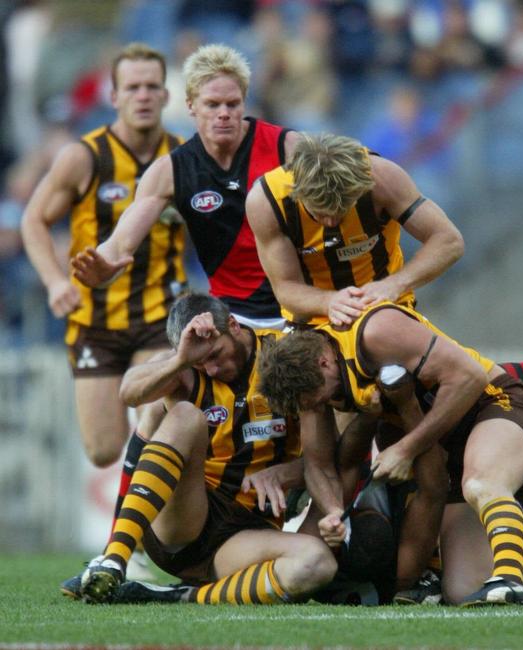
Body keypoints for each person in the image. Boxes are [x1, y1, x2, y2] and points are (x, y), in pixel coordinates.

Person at [256, 300, 523, 606]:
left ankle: (509, 580)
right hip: (433, 434)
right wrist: (335, 511)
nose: (327, 405)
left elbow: (469, 377)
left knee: (482, 483)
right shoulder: (313, 384)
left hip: (492, 403)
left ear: (324, 361)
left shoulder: (375, 331)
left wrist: (406, 444)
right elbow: (326, 467)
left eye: (325, 397)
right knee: (464, 589)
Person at [245, 132, 523, 390]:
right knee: (312, 412)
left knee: (454, 384)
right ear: (299, 192)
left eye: (341, 210)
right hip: (313, 320)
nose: (332, 223)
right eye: (321, 214)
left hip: (384, 307)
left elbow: (449, 241)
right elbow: (286, 289)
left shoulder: (382, 178)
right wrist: (330, 300)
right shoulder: (267, 202)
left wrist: (392, 285)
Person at [80, 291, 337, 605]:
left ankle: (180, 596)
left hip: (245, 535)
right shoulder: (188, 369)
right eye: (201, 363)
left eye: (215, 354)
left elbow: (322, 458)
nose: (212, 369)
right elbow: (129, 392)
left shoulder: (281, 359)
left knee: (316, 563)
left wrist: (285, 472)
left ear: (233, 325)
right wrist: (181, 360)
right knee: (182, 414)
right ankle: (115, 558)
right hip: (186, 519)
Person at [22, 42, 186, 470]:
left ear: (167, 95)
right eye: (133, 87)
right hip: (94, 322)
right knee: (103, 450)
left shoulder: (185, 156)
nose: (144, 96)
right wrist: (56, 281)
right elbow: (33, 220)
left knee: (155, 428)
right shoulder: (84, 157)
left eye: (152, 87)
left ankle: (154, 530)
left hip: (160, 317)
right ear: (113, 97)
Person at [70, 42, 300, 330]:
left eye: (233, 103)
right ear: (191, 105)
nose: (224, 113)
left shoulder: (287, 147)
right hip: (232, 320)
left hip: (299, 308)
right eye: (212, 105)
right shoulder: (170, 171)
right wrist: (102, 267)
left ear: (244, 101)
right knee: (161, 373)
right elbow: (120, 243)